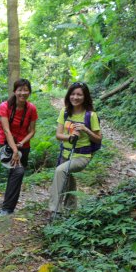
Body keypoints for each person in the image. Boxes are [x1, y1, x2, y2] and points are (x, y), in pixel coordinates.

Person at [48, 82, 102, 214]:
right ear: (68, 95)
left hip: (82, 156)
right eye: (73, 94)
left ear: (85, 97)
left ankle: (53, 209)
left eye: (79, 94)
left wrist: (85, 130)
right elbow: (58, 135)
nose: (75, 97)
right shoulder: (65, 112)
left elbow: (98, 138)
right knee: (68, 179)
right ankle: (70, 210)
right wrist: (70, 137)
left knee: (61, 171)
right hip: (65, 154)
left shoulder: (91, 115)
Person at [0, 79, 38, 215]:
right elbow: (6, 130)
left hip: (23, 143)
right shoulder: (5, 106)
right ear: (15, 91)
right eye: (20, 90)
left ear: (29, 92)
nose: (23, 93)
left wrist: (21, 143)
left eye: (26, 90)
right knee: (17, 171)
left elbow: (32, 130)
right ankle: (7, 208)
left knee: (16, 173)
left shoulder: (31, 108)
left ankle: (7, 205)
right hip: (6, 142)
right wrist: (14, 149)